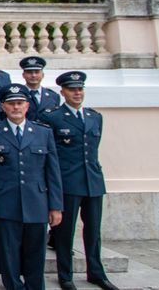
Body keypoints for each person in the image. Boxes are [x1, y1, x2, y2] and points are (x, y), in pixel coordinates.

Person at [42, 71, 117, 290]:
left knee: (93, 230)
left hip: (92, 181)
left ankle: (96, 271)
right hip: (68, 181)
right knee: (65, 232)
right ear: (62, 92)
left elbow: (93, 148)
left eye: (80, 89)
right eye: (72, 89)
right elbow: (52, 153)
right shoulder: (53, 118)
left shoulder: (95, 117)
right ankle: (65, 274)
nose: (77, 93)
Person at [0, 83, 63, 290]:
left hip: (36, 202)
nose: (16, 107)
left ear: (27, 106)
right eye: (11, 104)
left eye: (19, 103)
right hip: (6, 203)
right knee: (8, 254)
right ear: (3, 107)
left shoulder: (42, 133)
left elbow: (52, 172)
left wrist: (55, 206)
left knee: (36, 253)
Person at [20, 56, 61, 123]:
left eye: (36, 72)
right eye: (29, 72)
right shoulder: (18, 94)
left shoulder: (53, 96)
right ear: (23, 75)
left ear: (42, 75)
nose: (33, 75)